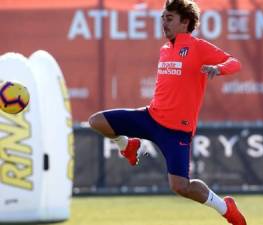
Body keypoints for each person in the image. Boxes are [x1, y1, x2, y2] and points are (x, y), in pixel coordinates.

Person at [88, 0, 246, 224]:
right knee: (96, 121)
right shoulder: (165, 49)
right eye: (163, 17)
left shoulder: (198, 47)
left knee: (180, 186)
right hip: (150, 117)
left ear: (185, 22)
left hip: (176, 131)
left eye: (169, 18)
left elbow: (235, 62)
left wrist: (218, 68)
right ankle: (128, 146)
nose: (163, 22)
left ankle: (225, 207)